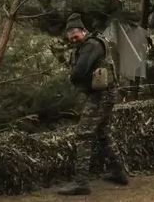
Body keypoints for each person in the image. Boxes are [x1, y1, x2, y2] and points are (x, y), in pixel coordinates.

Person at [58, 13, 128, 196]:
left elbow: (79, 71)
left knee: (83, 134)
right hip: (105, 93)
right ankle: (119, 173)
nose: (73, 38)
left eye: (76, 34)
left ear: (84, 31)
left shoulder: (91, 45)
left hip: (100, 95)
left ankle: (81, 182)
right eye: (70, 34)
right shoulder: (89, 43)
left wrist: (71, 77)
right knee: (103, 134)